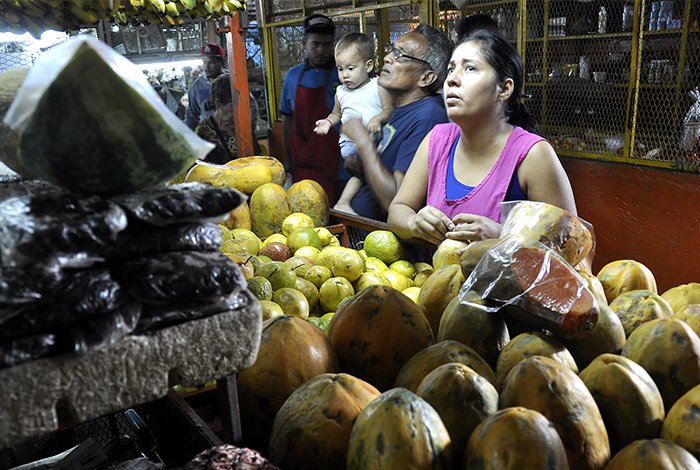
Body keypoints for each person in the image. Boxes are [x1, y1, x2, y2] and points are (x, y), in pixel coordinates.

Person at [387, 30, 577, 247]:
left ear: (504, 89)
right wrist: (413, 222)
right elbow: (398, 209)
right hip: (440, 279)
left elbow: (571, 245)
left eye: (470, 68)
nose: (452, 80)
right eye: (451, 69)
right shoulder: (437, 140)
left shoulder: (533, 155)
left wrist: (503, 235)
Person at [334, 24, 452, 221]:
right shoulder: (398, 110)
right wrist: (360, 162)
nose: (388, 57)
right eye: (391, 49)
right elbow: (381, 166)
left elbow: (397, 204)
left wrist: (363, 142)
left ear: (426, 77)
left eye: (401, 55)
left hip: (384, 245)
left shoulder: (428, 117)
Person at [313, 32, 393, 215]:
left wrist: (377, 118)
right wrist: (327, 122)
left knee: (365, 172)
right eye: (340, 69)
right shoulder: (340, 92)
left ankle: (344, 201)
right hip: (350, 144)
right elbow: (336, 114)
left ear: (369, 66)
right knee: (366, 168)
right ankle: (345, 201)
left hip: (375, 137)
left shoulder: (377, 86)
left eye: (350, 68)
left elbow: (388, 110)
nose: (345, 75)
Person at [280, 14, 344, 204]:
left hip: (338, 165)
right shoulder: (293, 77)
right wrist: (288, 158)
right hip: (303, 163)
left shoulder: (343, 75)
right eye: (315, 44)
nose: (321, 50)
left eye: (327, 44)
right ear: (304, 44)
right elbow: (287, 120)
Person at [195, 74, 261, 164]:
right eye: (233, 106)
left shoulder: (242, 124)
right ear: (219, 104)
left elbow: (257, 159)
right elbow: (196, 172)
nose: (239, 110)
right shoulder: (203, 133)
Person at [185, 43, 225, 129]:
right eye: (204, 62)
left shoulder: (232, 80)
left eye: (211, 62)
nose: (206, 67)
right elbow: (191, 119)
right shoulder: (196, 89)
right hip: (213, 137)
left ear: (220, 62)